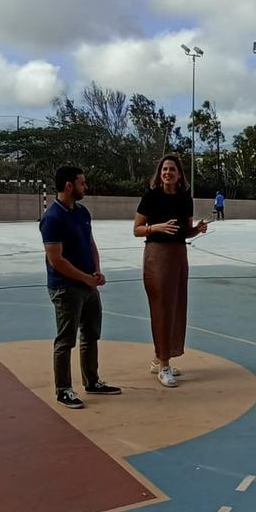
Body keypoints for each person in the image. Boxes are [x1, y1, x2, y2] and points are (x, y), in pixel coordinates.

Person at [40, 164, 120, 409]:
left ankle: (92, 380)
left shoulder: (83, 212)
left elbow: (90, 244)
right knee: (66, 340)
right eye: (82, 183)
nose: (85, 187)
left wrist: (95, 271)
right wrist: (84, 279)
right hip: (66, 289)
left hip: (88, 285)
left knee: (91, 334)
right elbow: (56, 260)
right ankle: (63, 389)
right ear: (68, 185)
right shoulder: (52, 218)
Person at [133, 155, 208, 388]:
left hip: (178, 255)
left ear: (179, 174)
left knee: (176, 307)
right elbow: (136, 230)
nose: (168, 173)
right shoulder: (150, 197)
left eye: (172, 169)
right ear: (159, 173)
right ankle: (164, 365)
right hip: (157, 255)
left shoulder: (185, 199)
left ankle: (161, 358)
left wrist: (197, 230)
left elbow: (183, 231)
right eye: (164, 169)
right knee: (162, 307)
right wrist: (157, 227)